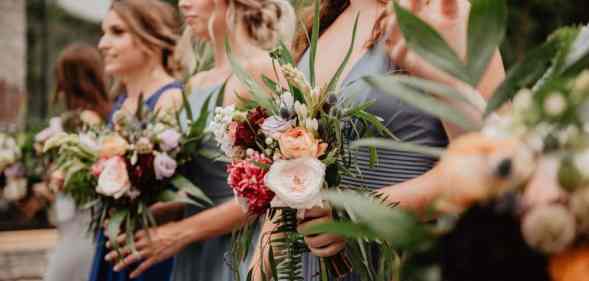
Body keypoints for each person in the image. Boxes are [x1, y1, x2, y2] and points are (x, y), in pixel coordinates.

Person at [253, 0, 507, 280]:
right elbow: (286, 176)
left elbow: (497, 162)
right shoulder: (325, 22)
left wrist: (356, 212)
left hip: (403, 260)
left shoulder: (443, 11)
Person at [104, 0, 295, 280]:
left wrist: (180, 232)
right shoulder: (196, 83)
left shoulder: (262, 69)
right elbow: (203, 187)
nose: (183, 3)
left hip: (241, 252)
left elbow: (274, 187)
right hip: (194, 253)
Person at [89, 1, 183, 280]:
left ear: (151, 38)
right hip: (114, 242)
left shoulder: (170, 99)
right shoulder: (120, 103)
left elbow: (184, 194)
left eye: (117, 32)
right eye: (104, 32)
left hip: (149, 253)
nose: (103, 43)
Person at [42, 43, 111, 281]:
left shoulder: (87, 119)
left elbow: (88, 169)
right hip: (77, 222)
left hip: (83, 222)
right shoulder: (100, 114)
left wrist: (59, 176)